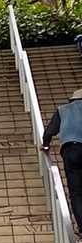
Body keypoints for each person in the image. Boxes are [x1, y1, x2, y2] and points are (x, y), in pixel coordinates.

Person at [42, 86, 82, 232]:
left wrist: (45, 145)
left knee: (76, 192)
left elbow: (49, 132)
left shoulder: (63, 110)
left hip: (70, 150)